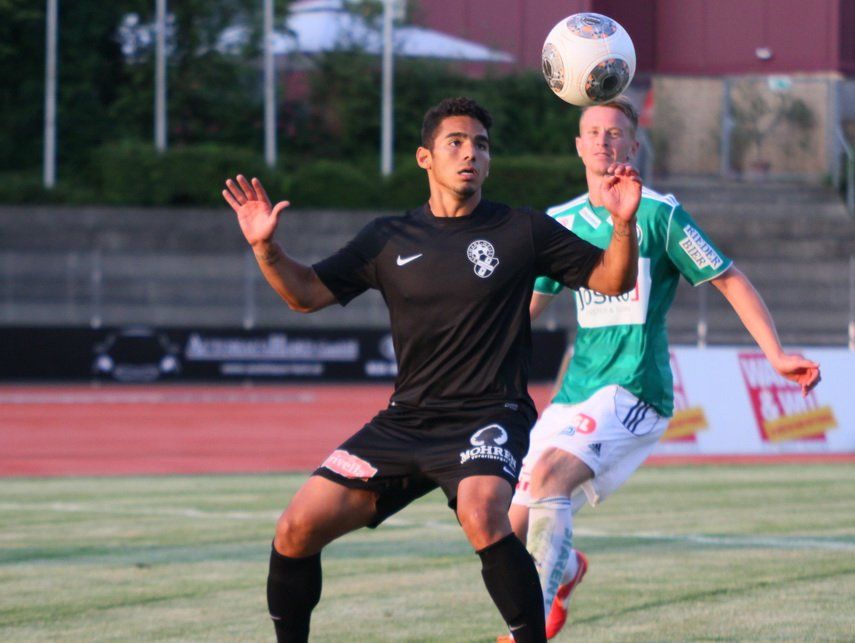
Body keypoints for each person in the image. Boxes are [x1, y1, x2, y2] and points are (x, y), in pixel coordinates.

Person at [222, 96, 642, 642]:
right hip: (405, 422)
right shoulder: (387, 238)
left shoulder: (523, 229)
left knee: (482, 513)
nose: (471, 154)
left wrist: (622, 224)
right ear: (425, 157)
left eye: (481, 146)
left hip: (491, 413)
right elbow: (304, 294)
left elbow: (613, 280)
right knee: (295, 528)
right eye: (456, 143)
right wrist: (267, 249)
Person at [499, 97, 822, 642]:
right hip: (575, 393)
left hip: (635, 391)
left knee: (551, 475)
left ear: (633, 145)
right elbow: (525, 309)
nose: (602, 141)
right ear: (577, 145)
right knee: (507, 527)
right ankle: (567, 569)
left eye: (614, 133)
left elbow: (728, 277)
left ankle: (526, 633)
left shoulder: (660, 214)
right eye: (592, 132)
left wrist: (775, 354)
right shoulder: (562, 222)